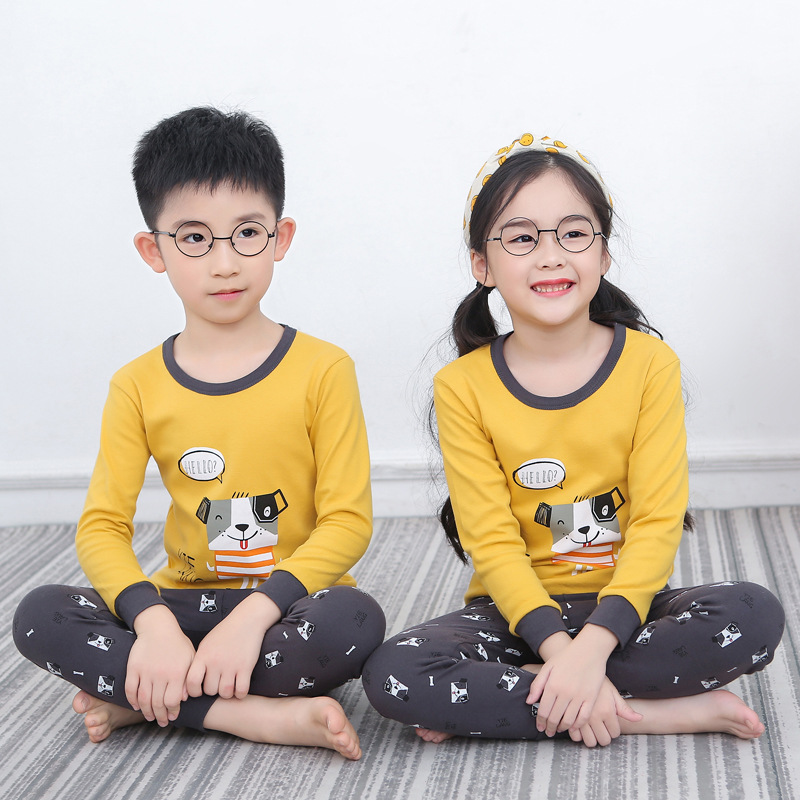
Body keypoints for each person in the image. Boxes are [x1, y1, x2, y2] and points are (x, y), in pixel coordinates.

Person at [363, 133, 784, 747]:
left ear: (604, 253)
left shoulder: (649, 365)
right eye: (522, 238)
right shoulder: (462, 386)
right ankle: (651, 712)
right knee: (394, 674)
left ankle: (526, 697)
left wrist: (593, 647)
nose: (551, 256)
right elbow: (491, 541)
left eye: (573, 233)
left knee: (754, 613)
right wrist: (561, 651)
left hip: (629, 611)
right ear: (482, 265)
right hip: (516, 618)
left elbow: (658, 522)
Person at [13, 107, 385, 760]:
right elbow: (101, 528)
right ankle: (250, 714)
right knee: (39, 614)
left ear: (281, 237)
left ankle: (147, 700)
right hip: (179, 607)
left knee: (355, 623)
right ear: (152, 250)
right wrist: (154, 624)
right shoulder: (136, 385)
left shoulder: (325, 369)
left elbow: (347, 522)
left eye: (247, 233)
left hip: (287, 609)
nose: (224, 263)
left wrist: (254, 615)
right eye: (194, 238)